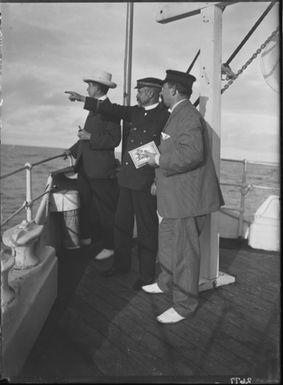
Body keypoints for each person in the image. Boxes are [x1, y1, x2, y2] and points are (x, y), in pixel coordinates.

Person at [65, 77, 170, 290]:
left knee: (146, 230)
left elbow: (166, 149)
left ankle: (146, 275)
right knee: (121, 225)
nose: (137, 94)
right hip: (126, 179)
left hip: (146, 181)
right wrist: (82, 99)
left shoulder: (165, 117)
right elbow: (110, 108)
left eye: (140, 91)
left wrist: (157, 179)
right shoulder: (135, 112)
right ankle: (121, 265)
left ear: (150, 93)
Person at [142, 69, 224, 324]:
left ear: (173, 90)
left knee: (184, 253)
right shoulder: (177, 114)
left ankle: (185, 304)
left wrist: (157, 159)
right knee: (168, 243)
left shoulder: (187, 115)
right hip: (173, 197)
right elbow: (175, 149)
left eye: (164, 89)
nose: (161, 93)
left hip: (187, 200)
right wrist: (158, 180)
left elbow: (192, 154)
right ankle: (166, 282)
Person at [65, 70, 121, 261]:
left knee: (106, 209)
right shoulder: (94, 109)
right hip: (86, 167)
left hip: (100, 169)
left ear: (97, 88)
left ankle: (110, 246)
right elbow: (88, 135)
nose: (87, 88)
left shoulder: (110, 110)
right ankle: (89, 237)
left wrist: (89, 136)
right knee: (87, 205)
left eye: (89, 85)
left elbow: (114, 140)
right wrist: (72, 149)